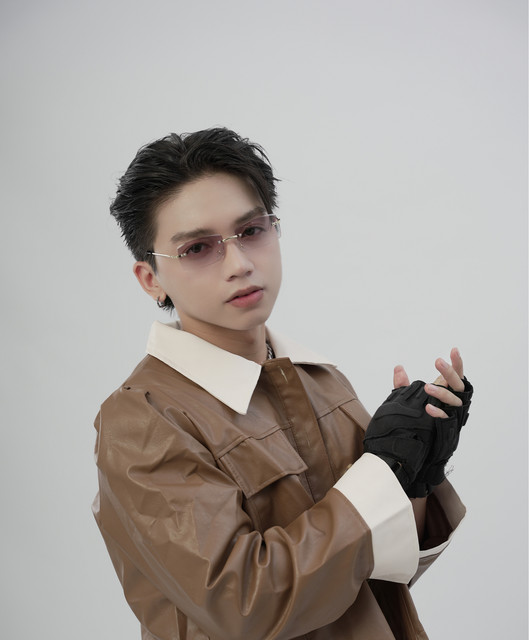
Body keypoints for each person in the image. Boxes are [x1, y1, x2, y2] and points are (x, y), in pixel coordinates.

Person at [93, 127, 472, 640]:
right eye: (198, 248)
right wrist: (382, 472)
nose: (240, 264)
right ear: (151, 279)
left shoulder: (321, 379)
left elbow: (374, 578)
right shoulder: (143, 419)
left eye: (251, 231)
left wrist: (417, 476)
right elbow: (243, 605)